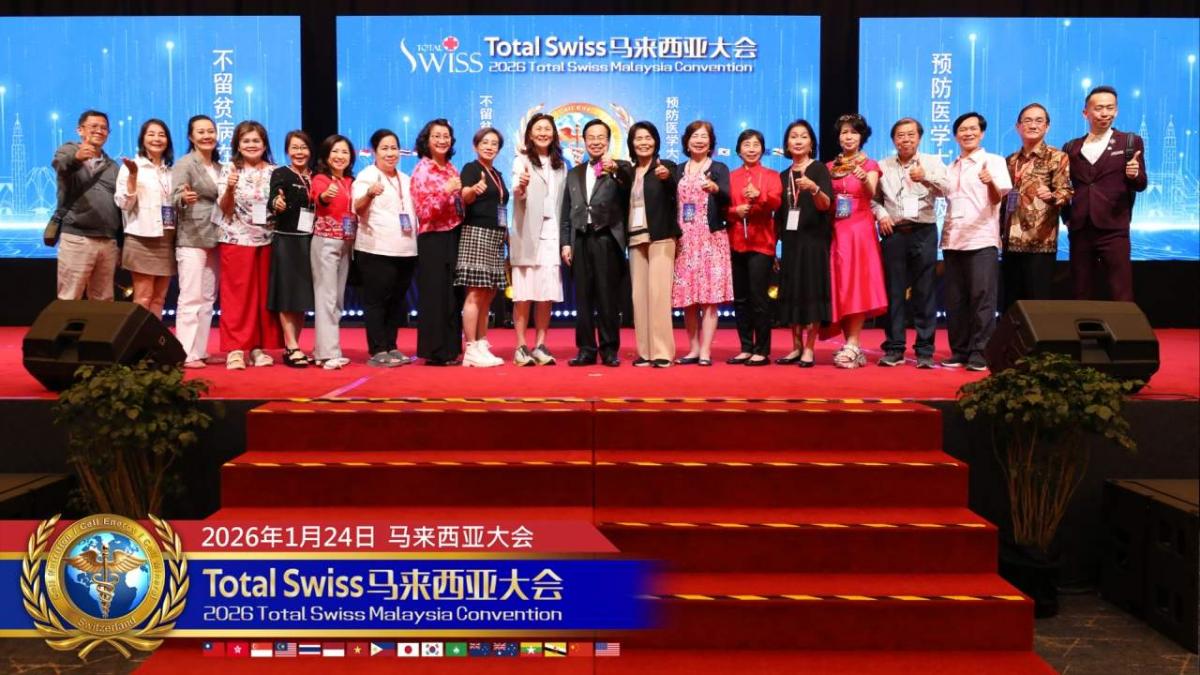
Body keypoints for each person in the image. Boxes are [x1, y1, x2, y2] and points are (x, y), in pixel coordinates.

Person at [871, 118, 949, 369]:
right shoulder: (882, 166)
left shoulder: (932, 162)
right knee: (894, 291)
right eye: (900, 135)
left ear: (919, 137)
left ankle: (925, 350)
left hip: (924, 231)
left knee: (924, 291)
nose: (905, 139)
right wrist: (881, 215)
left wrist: (926, 178)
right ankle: (894, 348)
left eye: (910, 134)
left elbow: (948, 189)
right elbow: (872, 199)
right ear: (894, 140)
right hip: (893, 232)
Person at [942, 112, 1013, 372]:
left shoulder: (993, 161)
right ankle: (959, 350)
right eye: (963, 129)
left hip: (982, 239)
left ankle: (981, 352)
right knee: (955, 300)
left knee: (983, 298)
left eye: (973, 129)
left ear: (982, 133)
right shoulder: (950, 167)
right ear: (955, 135)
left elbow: (997, 199)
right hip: (952, 240)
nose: (968, 133)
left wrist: (990, 182)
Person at [1062, 86, 1146, 302]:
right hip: (1080, 230)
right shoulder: (1071, 147)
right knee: (1081, 292)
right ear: (1086, 113)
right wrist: (1067, 218)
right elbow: (1063, 186)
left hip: (1114, 229)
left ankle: (1123, 327)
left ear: (1116, 111)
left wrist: (1134, 174)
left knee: (1121, 292)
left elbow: (1141, 184)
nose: (1105, 113)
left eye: (1110, 108)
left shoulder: (1129, 142)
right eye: (1099, 108)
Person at [560, 119, 631, 367]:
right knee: (583, 298)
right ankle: (586, 350)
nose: (596, 141)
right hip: (580, 238)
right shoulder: (574, 173)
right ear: (584, 141)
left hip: (607, 238)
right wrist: (566, 243)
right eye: (591, 137)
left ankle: (609, 350)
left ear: (609, 141)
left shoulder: (621, 168)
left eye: (601, 137)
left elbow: (628, 187)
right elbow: (566, 211)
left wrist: (616, 170)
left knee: (607, 297)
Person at [215, 120, 282, 370]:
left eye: (256, 140)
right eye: (246, 141)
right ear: (237, 144)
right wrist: (230, 188)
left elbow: (279, 208)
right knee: (237, 296)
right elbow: (225, 209)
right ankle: (235, 350)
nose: (251, 145)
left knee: (262, 297)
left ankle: (257, 348)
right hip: (236, 238)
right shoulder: (229, 170)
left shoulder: (276, 171)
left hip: (267, 239)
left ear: (264, 145)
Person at [354, 129, 421, 369]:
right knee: (376, 301)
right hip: (376, 249)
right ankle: (377, 349)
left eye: (394, 148)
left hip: (406, 249)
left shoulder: (406, 178)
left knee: (396, 301)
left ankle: (392, 346)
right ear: (374, 151)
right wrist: (369, 194)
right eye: (384, 148)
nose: (390, 153)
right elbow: (358, 209)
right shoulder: (367, 176)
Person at [824, 113, 887, 369]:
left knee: (857, 283)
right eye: (844, 132)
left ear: (862, 137)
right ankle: (852, 347)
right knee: (840, 285)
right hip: (836, 229)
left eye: (854, 132)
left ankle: (853, 342)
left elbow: (871, 193)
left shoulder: (870, 164)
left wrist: (863, 179)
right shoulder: (830, 166)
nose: (848, 137)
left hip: (859, 230)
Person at [672, 120, 732, 367]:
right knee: (688, 299)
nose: (699, 140)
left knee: (709, 298)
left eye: (704, 136)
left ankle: (706, 350)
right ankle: (693, 348)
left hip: (711, 238)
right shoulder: (678, 169)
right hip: (684, 240)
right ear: (687, 142)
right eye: (694, 136)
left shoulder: (719, 168)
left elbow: (728, 197)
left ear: (711, 143)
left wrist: (716, 188)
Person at [620, 121, 680, 368]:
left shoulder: (666, 167)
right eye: (638, 138)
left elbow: (675, 190)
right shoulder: (629, 172)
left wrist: (667, 179)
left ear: (656, 141)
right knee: (639, 297)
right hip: (635, 237)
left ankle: (662, 351)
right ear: (631, 144)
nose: (644, 142)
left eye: (648, 138)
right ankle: (645, 352)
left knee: (658, 295)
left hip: (661, 236)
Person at [509, 114, 567, 366]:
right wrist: (521, 186)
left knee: (546, 293)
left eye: (547, 129)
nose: (543, 133)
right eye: (538, 129)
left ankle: (540, 344)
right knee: (524, 293)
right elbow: (517, 190)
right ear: (530, 135)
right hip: (527, 233)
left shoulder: (561, 165)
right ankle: (521, 346)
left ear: (554, 134)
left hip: (552, 233)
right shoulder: (521, 160)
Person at [1002, 103, 1073, 308]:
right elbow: (1004, 200)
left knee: (1037, 306)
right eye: (1028, 120)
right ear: (1018, 127)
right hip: (1010, 243)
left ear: (1047, 127)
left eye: (1039, 121)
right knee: (1010, 305)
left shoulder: (1057, 157)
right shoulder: (1010, 160)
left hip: (1040, 243)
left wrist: (1051, 196)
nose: (1033, 125)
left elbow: (1066, 192)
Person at [775, 119, 833, 367]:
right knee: (792, 291)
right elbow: (780, 214)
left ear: (811, 143)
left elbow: (826, 205)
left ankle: (809, 347)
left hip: (814, 241)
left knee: (811, 291)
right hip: (790, 242)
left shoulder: (819, 169)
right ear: (787, 144)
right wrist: (775, 247)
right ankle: (796, 347)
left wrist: (814, 189)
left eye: (803, 136)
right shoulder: (783, 175)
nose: (798, 141)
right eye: (793, 137)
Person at [410, 119, 465, 366]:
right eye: (437, 136)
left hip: (454, 234)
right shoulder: (422, 170)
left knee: (452, 295)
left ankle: (451, 349)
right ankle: (435, 352)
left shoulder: (451, 168)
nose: (442, 140)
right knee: (435, 295)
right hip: (432, 237)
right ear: (427, 140)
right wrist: (446, 191)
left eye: (446, 136)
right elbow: (423, 212)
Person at [726, 128, 782, 366]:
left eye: (756, 144)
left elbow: (776, 203)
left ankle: (762, 349)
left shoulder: (771, 175)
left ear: (762, 149)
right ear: (739, 150)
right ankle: (746, 347)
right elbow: (722, 209)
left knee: (759, 298)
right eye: (746, 144)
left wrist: (759, 196)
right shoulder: (731, 177)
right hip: (736, 242)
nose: (751, 149)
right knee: (740, 299)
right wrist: (734, 211)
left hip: (762, 243)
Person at [171, 115, 223, 368]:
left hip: (216, 235)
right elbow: (174, 196)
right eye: (200, 132)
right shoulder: (185, 163)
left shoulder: (220, 167)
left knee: (208, 297)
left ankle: (199, 350)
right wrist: (184, 198)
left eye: (210, 131)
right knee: (190, 296)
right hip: (192, 235)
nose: (206, 136)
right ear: (191, 137)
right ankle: (184, 352)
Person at [52, 110, 120, 301]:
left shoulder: (113, 166)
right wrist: (77, 158)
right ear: (80, 130)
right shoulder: (68, 150)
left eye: (104, 128)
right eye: (94, 126)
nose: (99, 130)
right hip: (77, 238)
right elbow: (60, 165)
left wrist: (120, 242)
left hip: (107, 241)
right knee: (69, 298)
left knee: (104, 300)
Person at [456, 128, 509, 368]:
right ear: (475, 146)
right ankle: (470, 347)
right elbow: (465, 196)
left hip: (496, 235)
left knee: (489, 293)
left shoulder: (496, 174)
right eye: (485, 142)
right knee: (475, 292)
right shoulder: (471, 168)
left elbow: (500, 206)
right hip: (476, 233)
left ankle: (481, 343)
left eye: (494, 143)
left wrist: (506, 233)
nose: (489, 147)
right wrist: (472, 191)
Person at [114, 118, 176, 317]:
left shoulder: (171, 171)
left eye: (162, 135)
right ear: (142, 139)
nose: (157, 139)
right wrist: (133, 176)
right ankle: (138, 337)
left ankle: (154, 336)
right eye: (151, 134)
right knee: (143, 297)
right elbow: (124, 204)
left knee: (159, 298)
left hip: (167, 239)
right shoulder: (131, 167)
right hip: (142, 238)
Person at [267, 130, 316, 368]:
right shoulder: (281, 173)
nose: (299, 152)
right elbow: (273, 197)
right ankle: (292, 345)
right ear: (287, 150)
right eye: (294, 147)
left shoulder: (316, 176)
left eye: (303, 147)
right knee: (287, 295)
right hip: (286, 240)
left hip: (310, 241)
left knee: (302, 297)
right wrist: (276, 202)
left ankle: (294, 345)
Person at [309, 134, 357, 368]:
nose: (340, 156)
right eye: (335, 151)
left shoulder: (350, 181)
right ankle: (328, 353)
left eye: (344, 152)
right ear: (326, 156)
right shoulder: (320, 179)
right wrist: (325, 196)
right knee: (326, 297)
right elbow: (319, 198)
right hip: (326, 242)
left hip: (346, 243)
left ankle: (326, 350)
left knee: (336, 299)